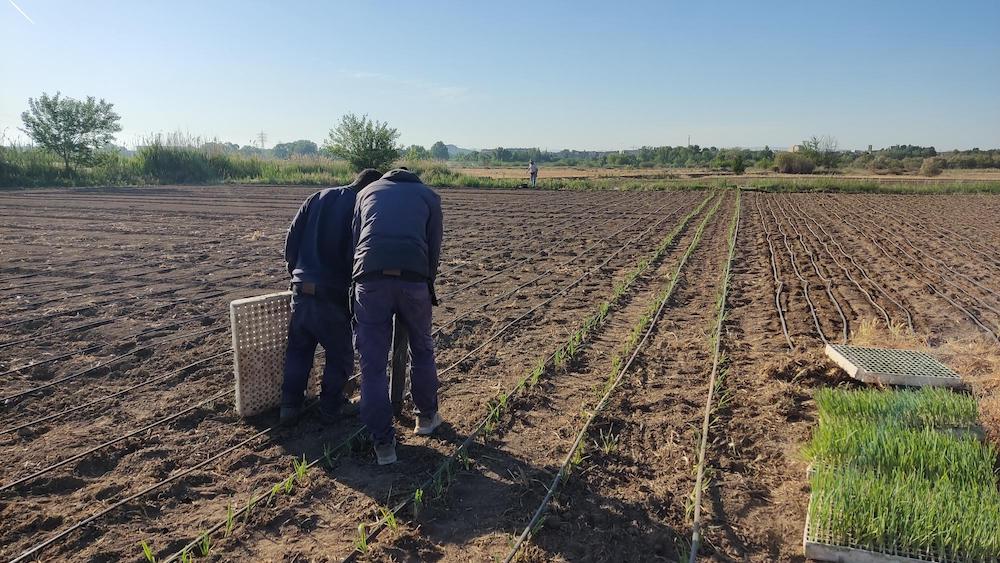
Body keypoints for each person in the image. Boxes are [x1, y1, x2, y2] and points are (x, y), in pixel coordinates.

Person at [353, 168, 443, 465]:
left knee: (373, 364)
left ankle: (383, 444)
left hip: (370, 279)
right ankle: (426, 418)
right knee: (422, 348)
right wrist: (425, 282)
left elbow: (357, 240)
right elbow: (434, 247)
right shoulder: (429, 196)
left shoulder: (366, 193)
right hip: (413, 279)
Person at [280, 169, 383, 425]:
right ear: (369, 189)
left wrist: (296, 273)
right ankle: (330, 408)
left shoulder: (317, 197)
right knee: (340, 354)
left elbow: (291, 240)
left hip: (301, 289)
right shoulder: (361, 207)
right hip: (333, 292)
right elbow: (359, 252)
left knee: (298, 350)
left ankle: (289, 407)